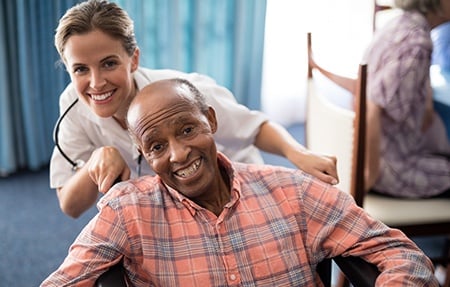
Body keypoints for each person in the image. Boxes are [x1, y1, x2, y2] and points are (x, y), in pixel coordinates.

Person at [41, 78, 439, 286]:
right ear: (143, 155)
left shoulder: (292, 191)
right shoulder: (127, 210)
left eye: (187, 130)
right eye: (158, 145)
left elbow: (400, 254)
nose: (178, 154)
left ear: (211, 121)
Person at [50, 0, 339, 219]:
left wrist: (299, 154)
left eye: (109, 63)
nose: (96, 83)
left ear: (133, 59)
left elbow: (255, 127)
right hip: (174, 203)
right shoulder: (72, 109)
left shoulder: (184, 90)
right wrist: (93, 163)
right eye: (80, 70)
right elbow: (71, 206)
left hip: (234, 188)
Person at [363, 0, 450, 198]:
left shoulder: (397, 24)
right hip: (392, 167)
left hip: (383, 153)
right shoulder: (417, 44)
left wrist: (425, 98)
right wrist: (370, 175)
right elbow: (373, 107)